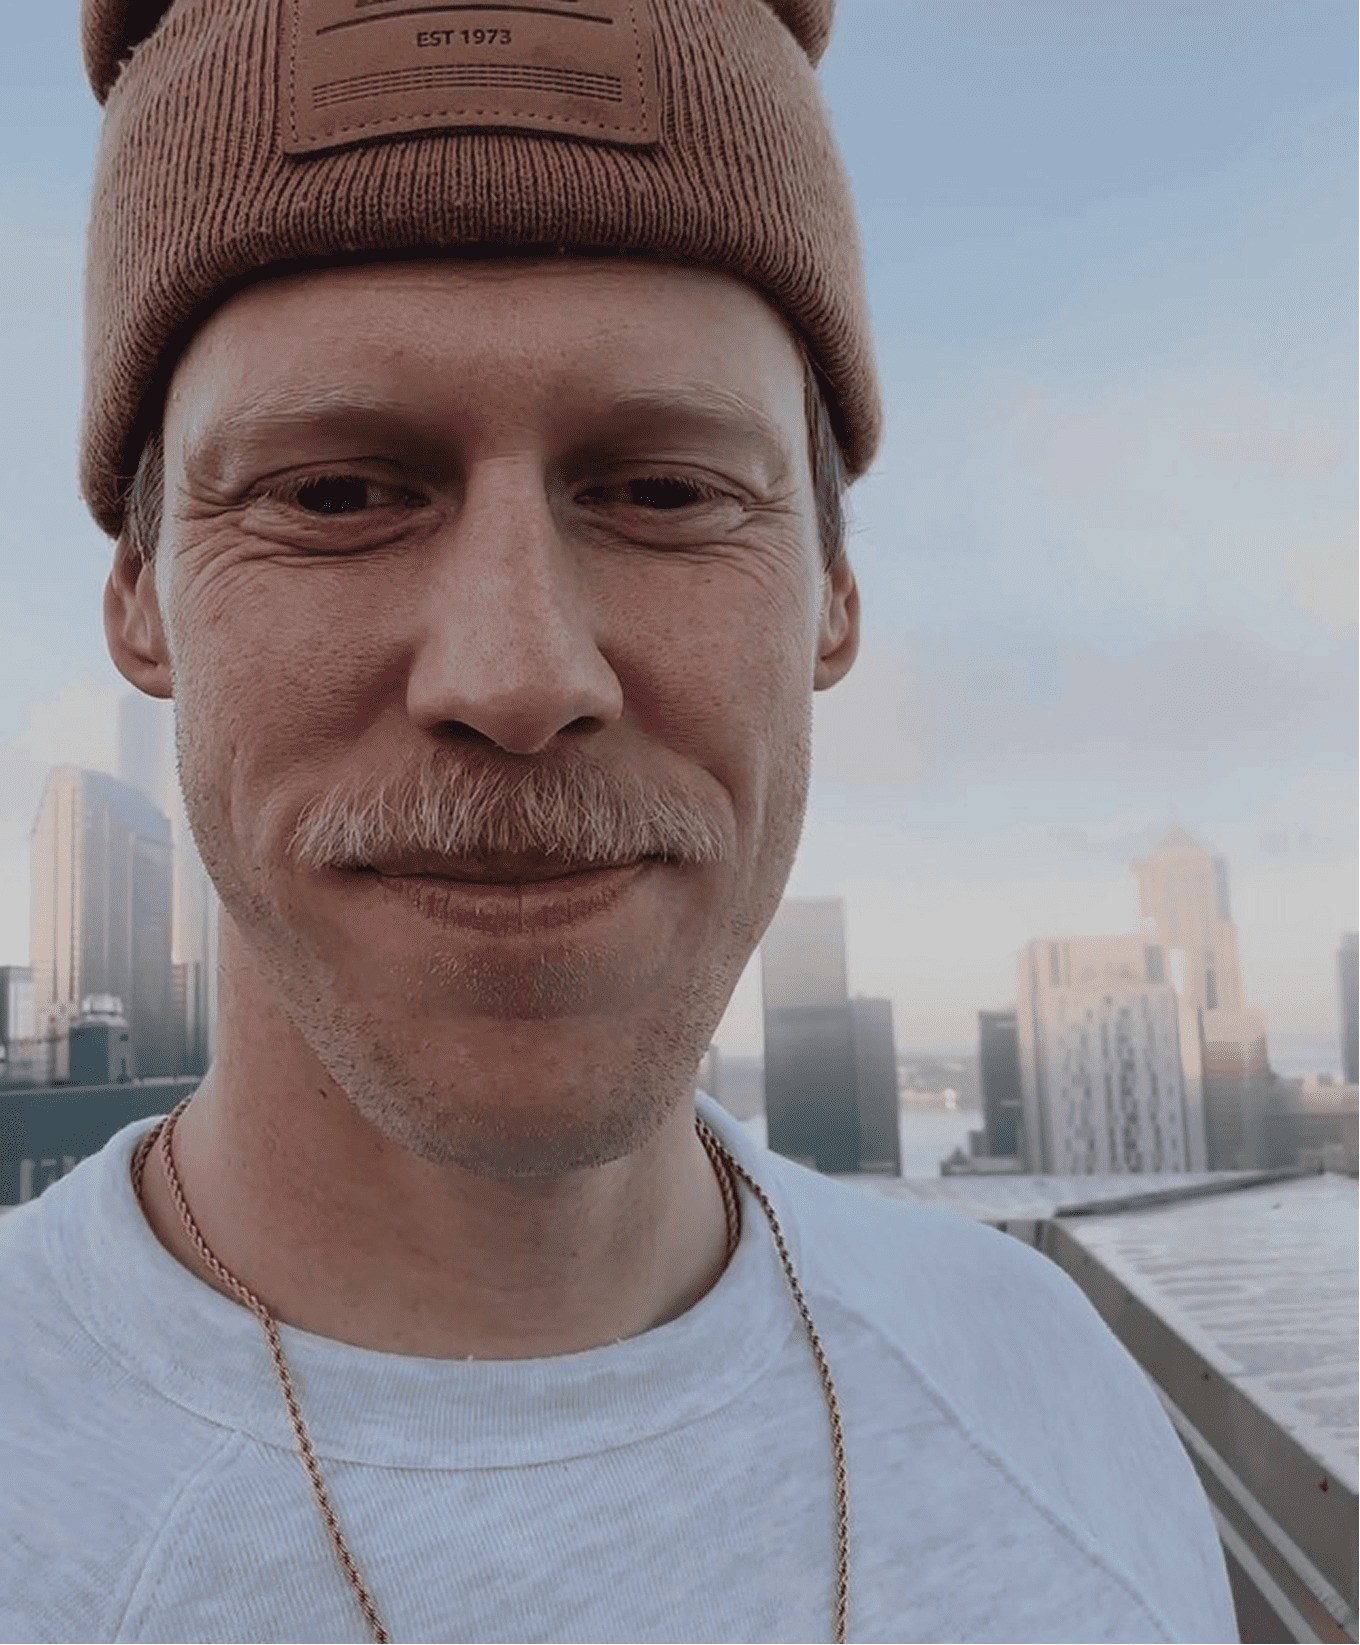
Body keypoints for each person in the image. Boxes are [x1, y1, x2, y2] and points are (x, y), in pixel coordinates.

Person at [0, 2, 1239, 1641]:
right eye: (336, 492)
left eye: (663, 492)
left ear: (834, 601)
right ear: (142, 602)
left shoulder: (1054, 1389)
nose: (518, 675)